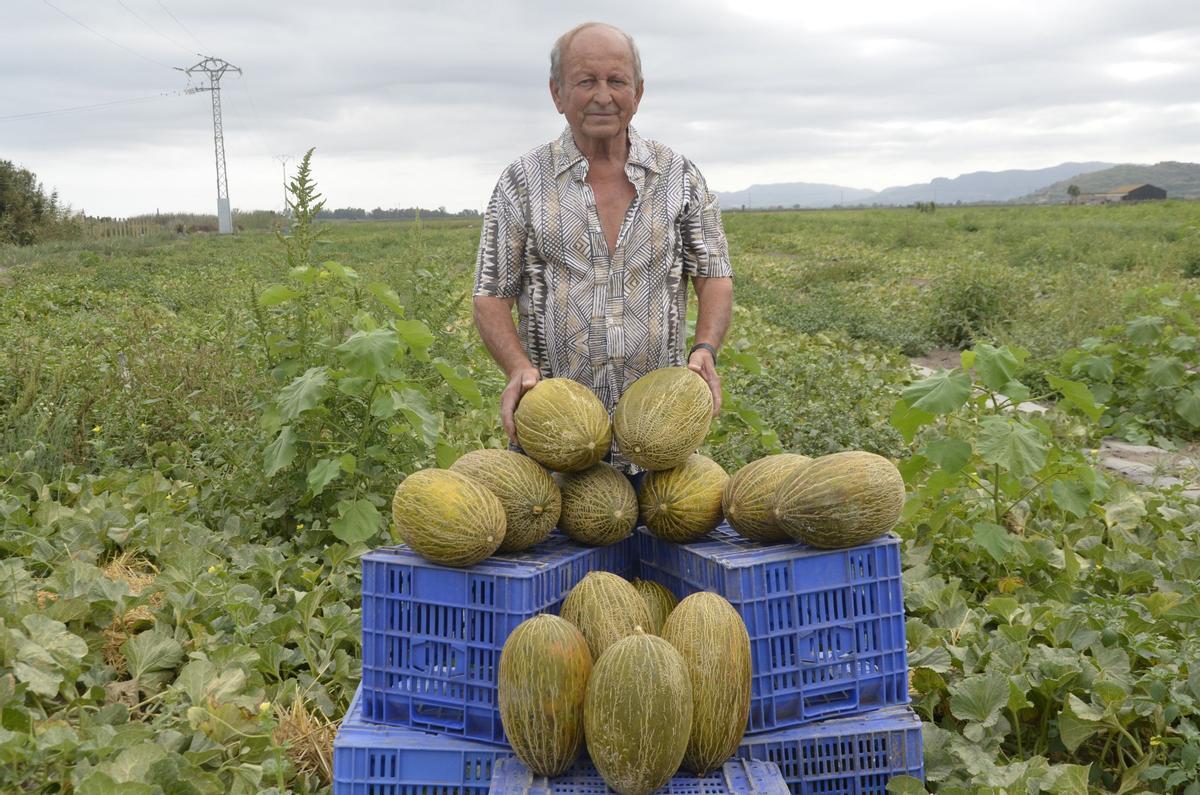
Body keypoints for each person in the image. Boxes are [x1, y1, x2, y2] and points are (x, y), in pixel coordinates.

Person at [472, 21, 733, 474]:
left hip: (659, 439)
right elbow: (490, 295)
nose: (603, 95)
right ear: (557, 93)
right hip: (555, 441)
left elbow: (714, 276)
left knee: (666, 526)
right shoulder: (521, 181)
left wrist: (704, 349)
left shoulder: (679, 175)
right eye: (586, 81)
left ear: (639, 91)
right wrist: (518, 367)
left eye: (617, 81)